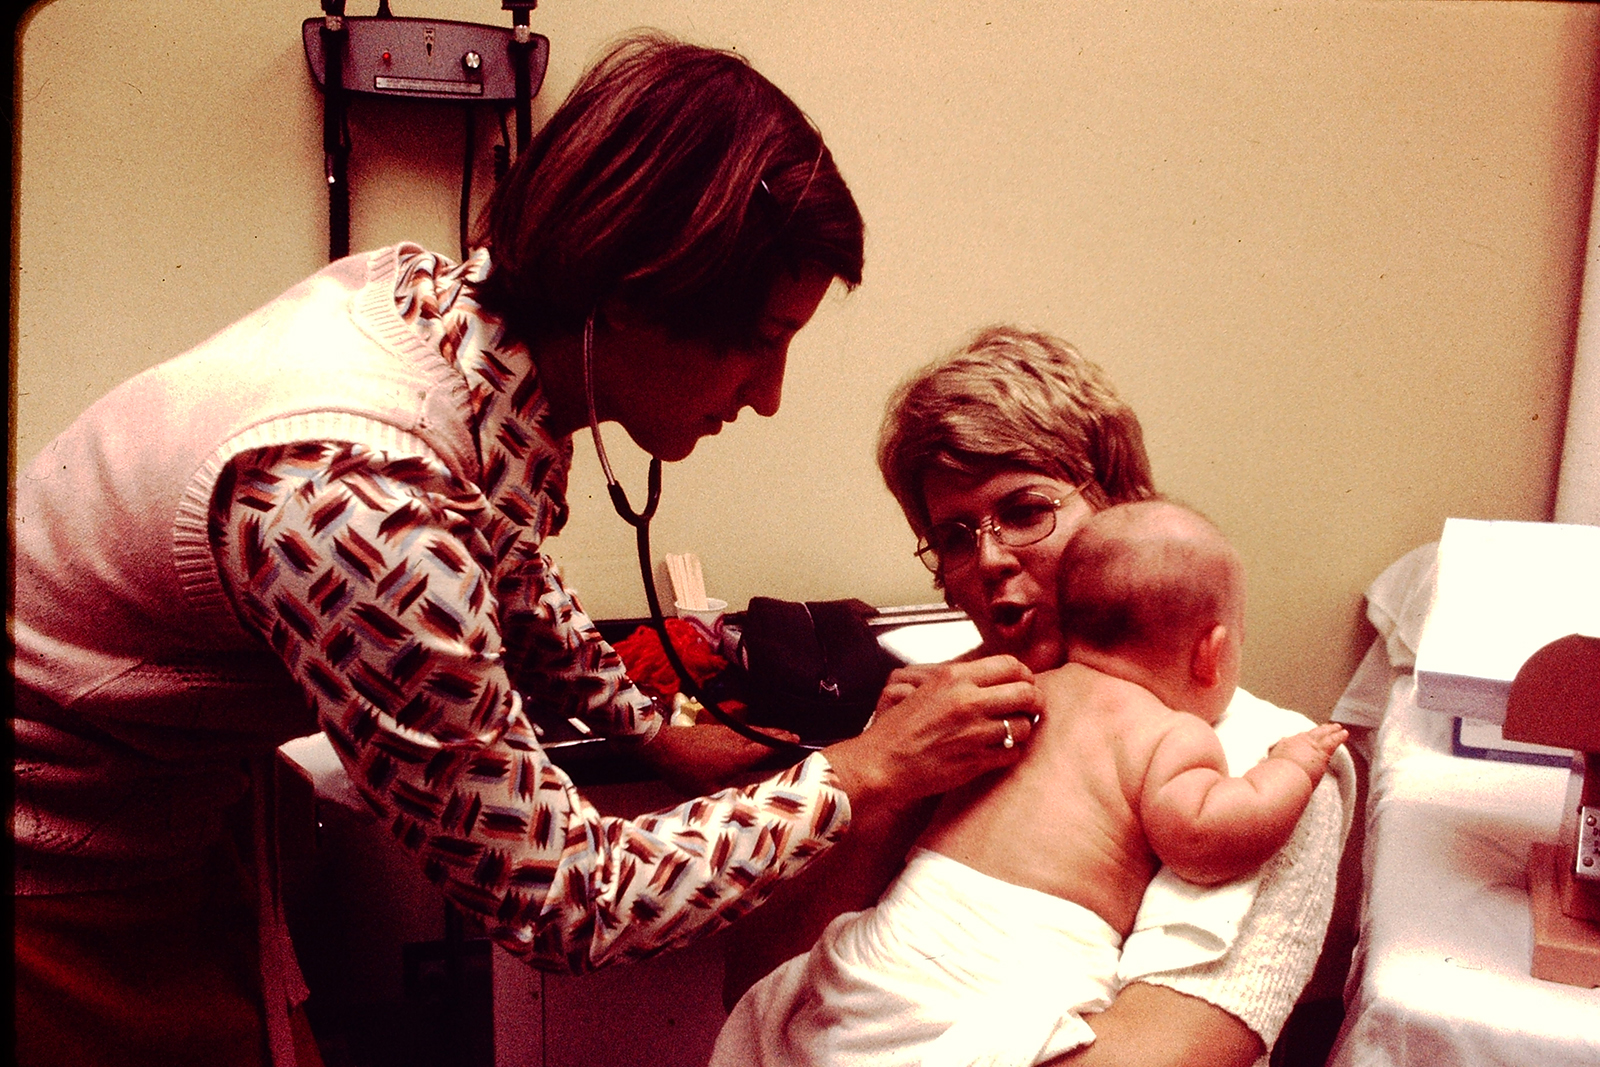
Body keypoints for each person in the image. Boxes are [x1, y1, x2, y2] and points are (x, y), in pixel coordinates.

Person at [10, 36, 1046, 1067]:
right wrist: (862, 772)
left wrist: (647, 731)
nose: (767, 394)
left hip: (189, 805)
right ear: (635, 292)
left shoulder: (435, 315)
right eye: (758, 340)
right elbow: (563, 900)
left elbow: (498, 545)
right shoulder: (357, 491)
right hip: (55, 870)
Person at [722, 326, 1353, 1067]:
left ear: (1121, 504)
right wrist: (877, 783)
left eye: (1025, 510)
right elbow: (753, 991)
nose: (988, 557)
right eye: (953, 536)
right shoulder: (924, 713)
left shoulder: (1266, 767)